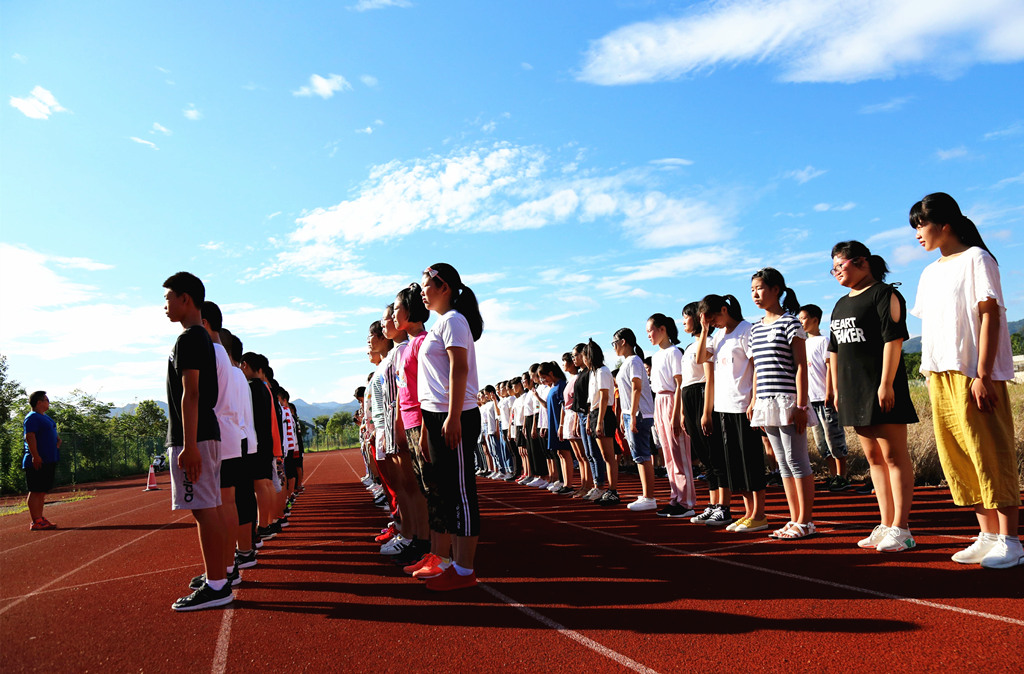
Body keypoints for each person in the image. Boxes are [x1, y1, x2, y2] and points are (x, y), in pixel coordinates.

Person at [909, 192, 1022, 569]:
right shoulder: (929, 271)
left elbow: (990, 316)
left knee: (990, 452)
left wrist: (983, 374)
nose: (917, 236)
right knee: (959, 457)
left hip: (972, 373)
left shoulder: (978, 258)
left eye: (920, 226)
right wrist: (928, 371)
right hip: (939, 374)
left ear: (945, 225)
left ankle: (1010, 538)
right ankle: (987, 534)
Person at [828, 241, 919, 553]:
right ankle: (886, 522)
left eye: (840, 265)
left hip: (881, 388)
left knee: (894, 456)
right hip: (853, 391)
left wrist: (886, 383)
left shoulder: (885, 293)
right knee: (873, 459)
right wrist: (838, 391)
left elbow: (893, 340)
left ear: (861, 261)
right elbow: (835, 350)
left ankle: (902, 528)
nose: (836, 272)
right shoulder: (840, 303)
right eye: (833, 268)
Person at [162, 271, 231, 611]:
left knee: (204, 511)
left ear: (185, 298)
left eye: (168, 298)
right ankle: (218, 576)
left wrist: (188, 445)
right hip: (206, 433)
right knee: (211, 508)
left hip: (197, 436)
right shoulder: (202, 338)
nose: (165, 305)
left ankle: (217, 585)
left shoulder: (189, 339)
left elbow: (192, 394)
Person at [414, 263, 484, 590]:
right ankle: (451, 563)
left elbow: (459, 369)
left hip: (455, 416)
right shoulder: (441, 323)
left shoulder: (454, 321)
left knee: (461, 492)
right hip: (437, 417)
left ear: (443, 287)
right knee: (446, 492)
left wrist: (453, 416)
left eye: (426, 285)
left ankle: (465, 570)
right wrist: (428, 427)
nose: (422, 291)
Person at [748, 268, 815, 538]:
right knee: (783, 463)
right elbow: (756, 370)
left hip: (788, 400)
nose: (755, 294)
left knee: (797, 460)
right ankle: (794, 518)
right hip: (766, 402)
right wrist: (754, 400)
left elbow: (801, 366)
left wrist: (801, 405)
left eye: (760, 288)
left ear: (776, 289)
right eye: (752, 289)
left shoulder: (791, 323)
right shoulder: (754, 329)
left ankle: (806, 521)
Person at [696, 294, 765, 528]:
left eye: (712, 317)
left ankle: (759, 514)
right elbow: (700, 358)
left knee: (751, 461)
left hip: (743, 405)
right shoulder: (717, 335)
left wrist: (754, 398)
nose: (712, 322)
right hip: (724, 406)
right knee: (735, 464)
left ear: (724, 310)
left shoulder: (747, 330)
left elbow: (756, 366)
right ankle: (748, 513)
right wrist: (705, 330)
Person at [646, 314, 697, 518]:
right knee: (667, 455)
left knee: (679, 454)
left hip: (672, 401)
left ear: (663, 329)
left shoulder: (674, 353)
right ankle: (675, 497)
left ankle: (687, 502)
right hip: (659, 401)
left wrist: (677, 414)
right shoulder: (657, 355)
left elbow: (679, 385)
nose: (648, 335)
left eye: (650, 330)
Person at [797, 304, 849, 491]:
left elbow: (829, 368)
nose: (800, 322)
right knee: (820, 442)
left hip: (824, 397)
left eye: (803, 318)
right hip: (811, 400)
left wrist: (830, 391)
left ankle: (842, 476)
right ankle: (832, 474)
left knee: (834, 437)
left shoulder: (824, 341)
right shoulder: (801, 343)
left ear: (815, 320)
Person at [612, 328, 658, 511]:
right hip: (630, 412)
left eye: (614, 343)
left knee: (643, 455)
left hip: (638, 413)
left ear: (623, 341)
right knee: (638, 455)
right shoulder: (627, 363)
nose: (614, 347)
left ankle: (649, 497)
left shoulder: (634, 361)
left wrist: (631, 414)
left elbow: (637, 388)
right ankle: (646, 494)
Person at [585, 339, 620, 506]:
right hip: (595, 414)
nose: (583, 360)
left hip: (603, 414)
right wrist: (589, 421)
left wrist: (599, 422)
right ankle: (609, 489)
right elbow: (593, 400)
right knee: (604, 455)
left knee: (608, 456)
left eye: (585, 356)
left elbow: (605, 398)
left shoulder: (603, 371)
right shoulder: (593, 373)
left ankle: (613, 490)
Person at [22, 391, 61, 531]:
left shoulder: (44, 417)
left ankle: (40, 517)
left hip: (49, 459)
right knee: (35, 490)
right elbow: (30, 436)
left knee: (42, 490)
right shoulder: (32, 417)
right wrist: (35, 456)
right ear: (39, 402)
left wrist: (56, 442)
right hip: (37, 460)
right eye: (47, 399)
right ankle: (36, 520)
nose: (48, 402)